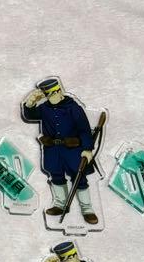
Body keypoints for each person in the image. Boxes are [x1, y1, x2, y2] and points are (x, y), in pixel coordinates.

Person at [21, 77, 99, 223]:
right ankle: (60, 205)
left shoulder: (73, 108)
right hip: (52, 150)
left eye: (54, 92)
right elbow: (29, 115)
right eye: (49, 94)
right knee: (56, 176)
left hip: (72, 150)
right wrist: (30, 103)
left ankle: (87, 209)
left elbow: (84, 129)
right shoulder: (44, 108)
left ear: (59, 90)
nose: (52, 96)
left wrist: (88, 149)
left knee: (79, 178)